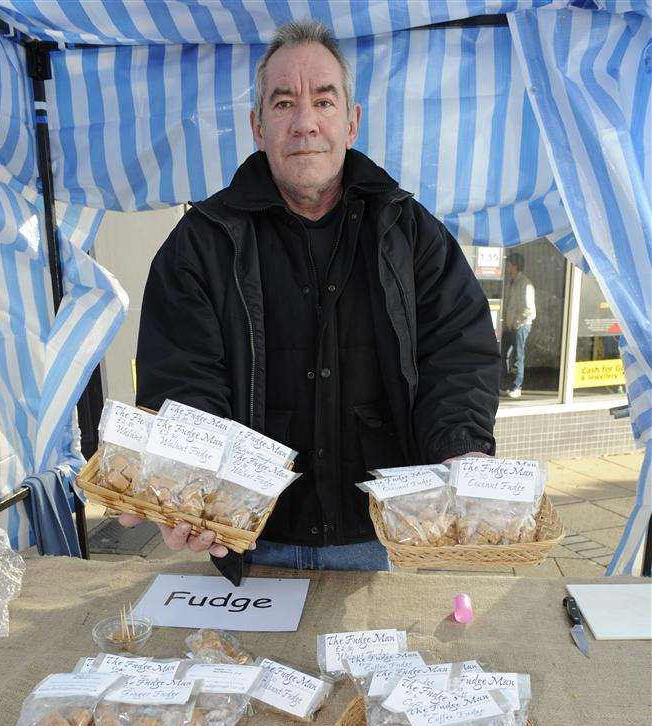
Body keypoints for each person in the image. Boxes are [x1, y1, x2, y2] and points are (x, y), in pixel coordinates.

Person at [121, 19, 500, 571]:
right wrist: (193, 482)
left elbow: (458, 355)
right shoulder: (201, 243)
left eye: (324, 102)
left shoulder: (411, 233)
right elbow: (184, 377)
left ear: (352, 123)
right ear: (257, 126)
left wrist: (462, 449)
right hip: (248, 537)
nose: (305, 123)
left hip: (383, 537)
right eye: (283, 104)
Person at [500, 252, 536, 400]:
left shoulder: (525, 284)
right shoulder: (512, 282)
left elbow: (529, 310)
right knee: (503, 354)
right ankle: (504, 384)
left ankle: (517, 387)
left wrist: (516, 323)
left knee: (518, 356)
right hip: (510, 326)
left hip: (520, 326)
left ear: (515, 266)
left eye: (508, 264)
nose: (506, 267)